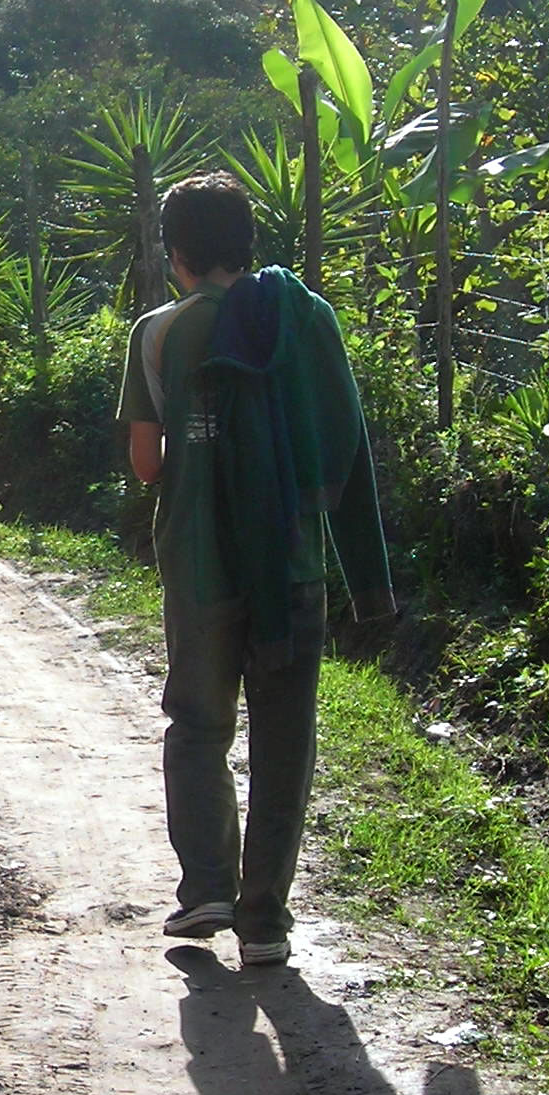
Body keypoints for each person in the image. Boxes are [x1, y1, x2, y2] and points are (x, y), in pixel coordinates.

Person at [118, 173, 395, 969]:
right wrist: (364, 575)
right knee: (284, 736)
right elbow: (345, 444)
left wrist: (202, 447)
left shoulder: (159, 332)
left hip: (201, 562)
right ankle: (265, 919)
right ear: (247, 242)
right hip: (291, 564)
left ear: (176, 252)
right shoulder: (308, 319)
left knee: (199, 724)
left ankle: (206, 885)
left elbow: (145, 464)